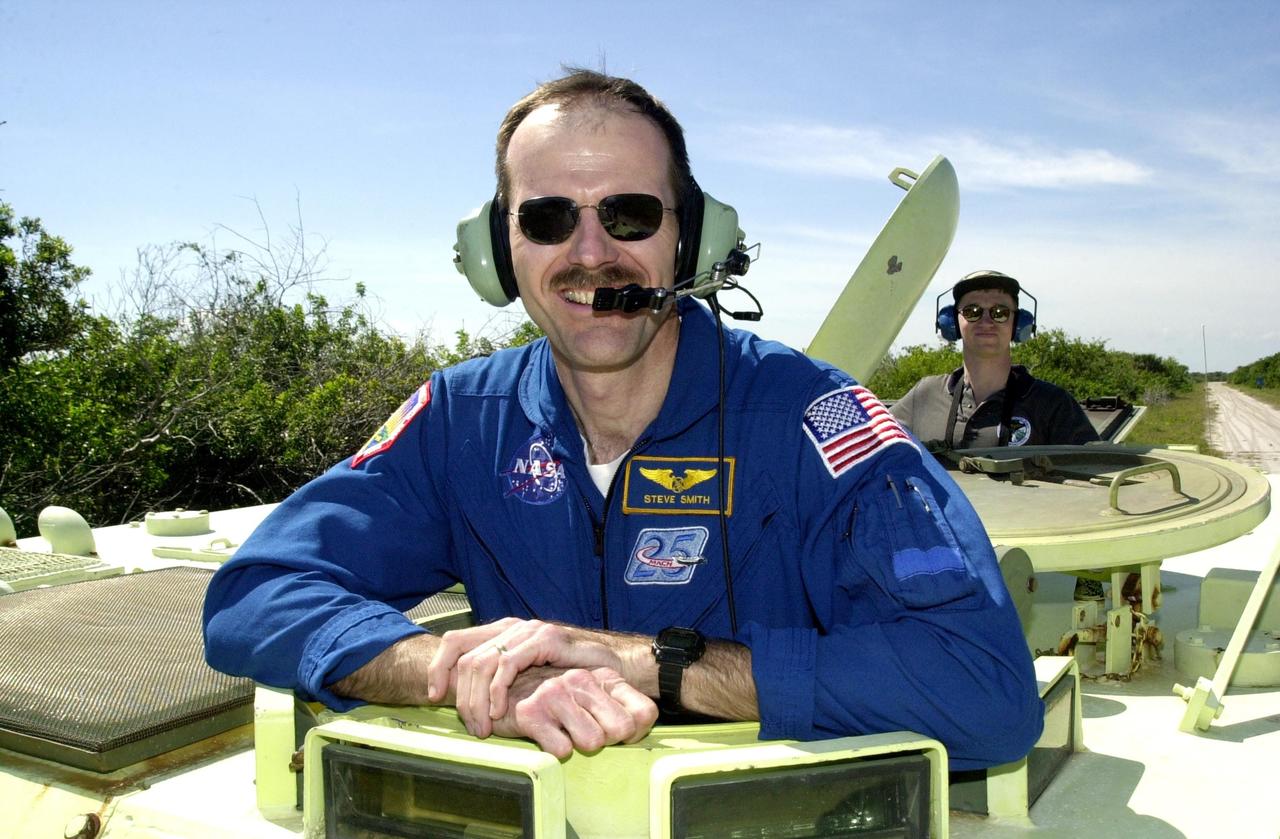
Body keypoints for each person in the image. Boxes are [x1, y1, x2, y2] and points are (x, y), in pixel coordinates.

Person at [202, 70, 1042, 770]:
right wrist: (468, 670)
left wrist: (659, 667)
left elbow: (982, 686)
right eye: (547, 217)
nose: (591, 250)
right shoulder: (463, 419)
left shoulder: (810, 422)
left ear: (693, 241)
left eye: (630, 214)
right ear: (500, 252)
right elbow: (255, 595)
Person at [890, 270, 1100, 450]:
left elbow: (1092, 476)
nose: (986, 321)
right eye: (972, 311)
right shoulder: (926, 394)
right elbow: (870, 441)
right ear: (953, 322)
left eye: (1000, 312)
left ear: (1017, 324)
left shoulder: (1052, 404)